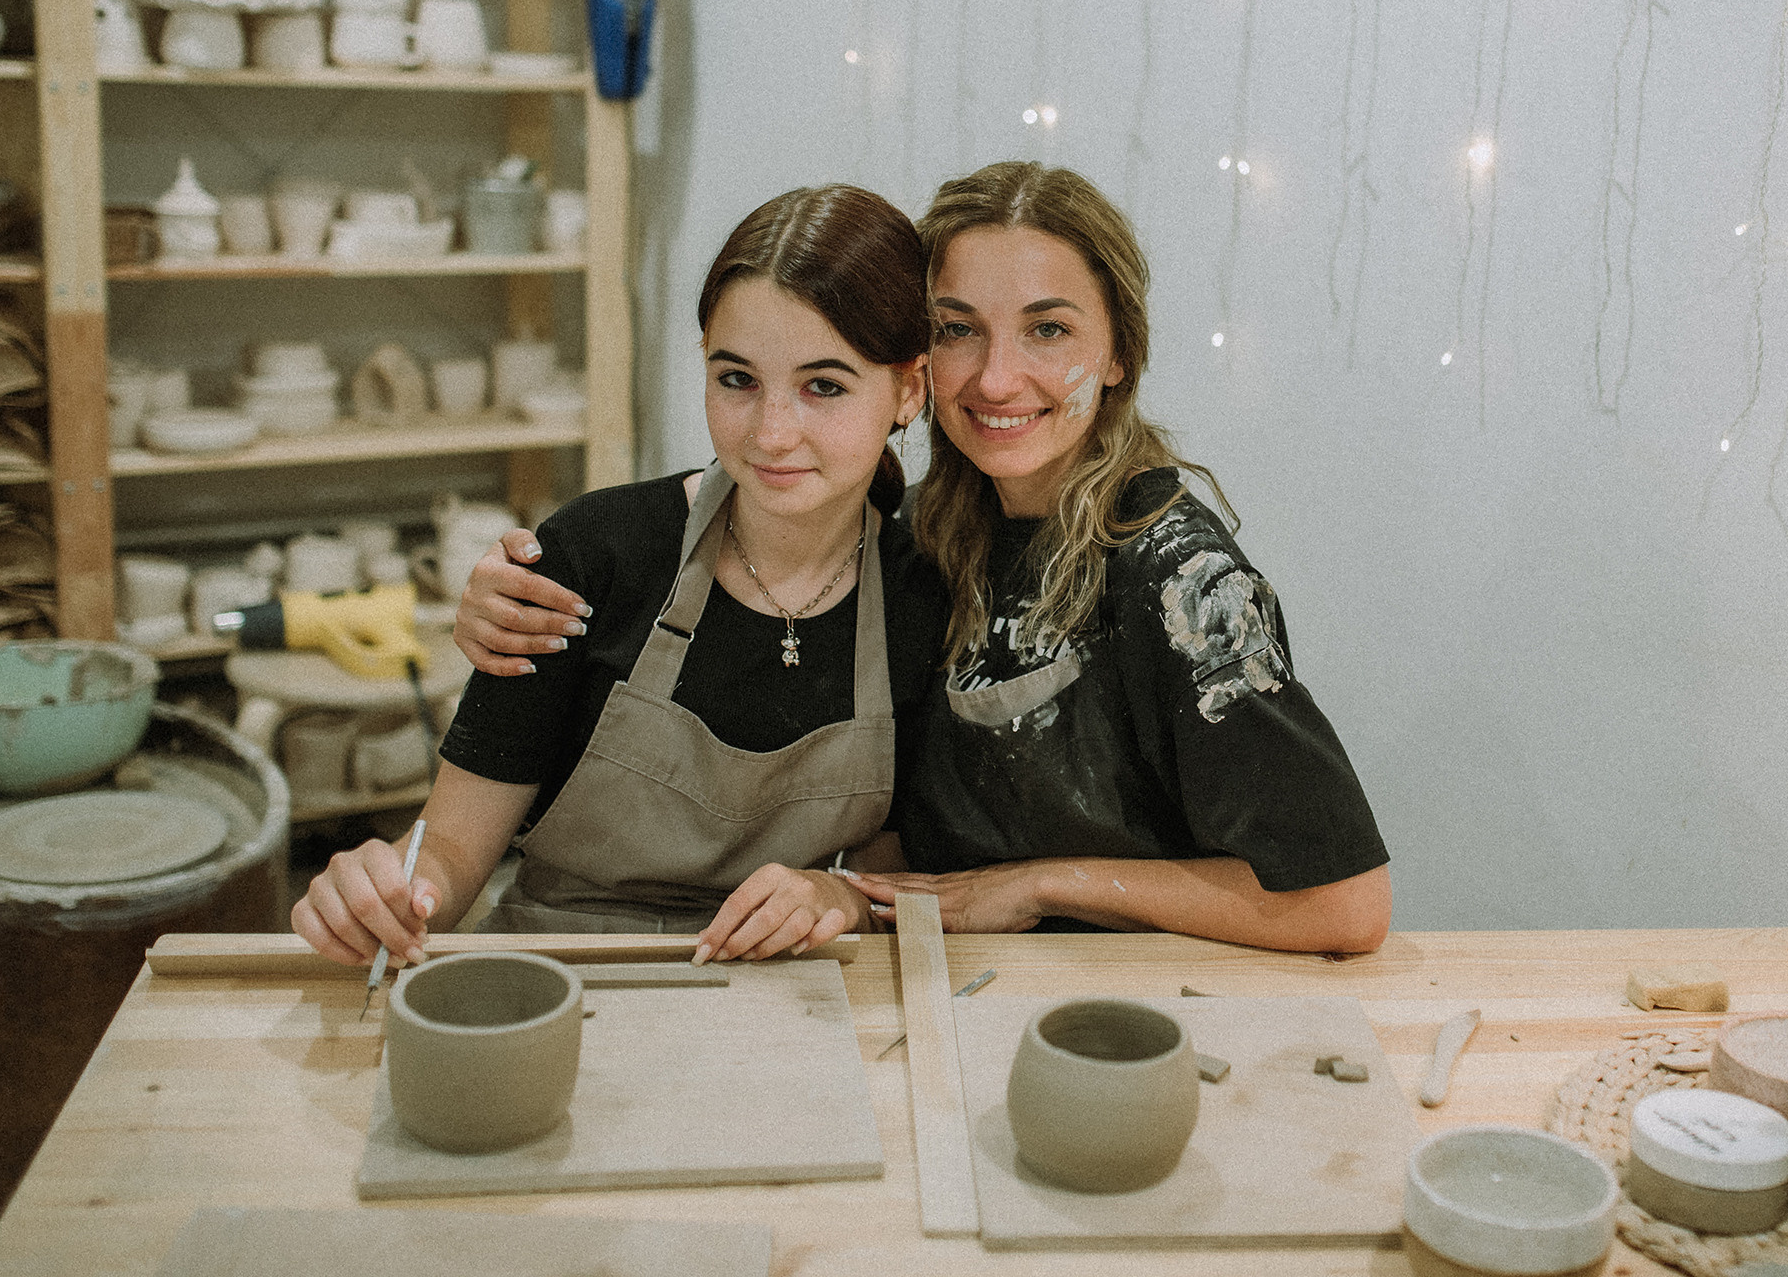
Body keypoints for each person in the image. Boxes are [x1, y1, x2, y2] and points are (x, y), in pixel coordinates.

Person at [455, 163, 1391, 954]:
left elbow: (1347, 902)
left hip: (1129, 1015)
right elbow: (909, 834)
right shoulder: (942, 542)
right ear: (920, 369)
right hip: (962, 994)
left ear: (1118, 355)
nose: (994, 377)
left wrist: (1037, 886)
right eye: (957, 328)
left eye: (1048, 329)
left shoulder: (1175, 576)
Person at [291, 185, 946, 971]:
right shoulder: (596, 553)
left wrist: (839, 897)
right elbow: (454, 848)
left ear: (909, 390)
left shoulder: (923, 595)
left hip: (783, 994)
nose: (772, 434)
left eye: (825, 386)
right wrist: (386, 892)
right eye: (736, 379)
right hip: (560, 975)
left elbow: (898, 863)